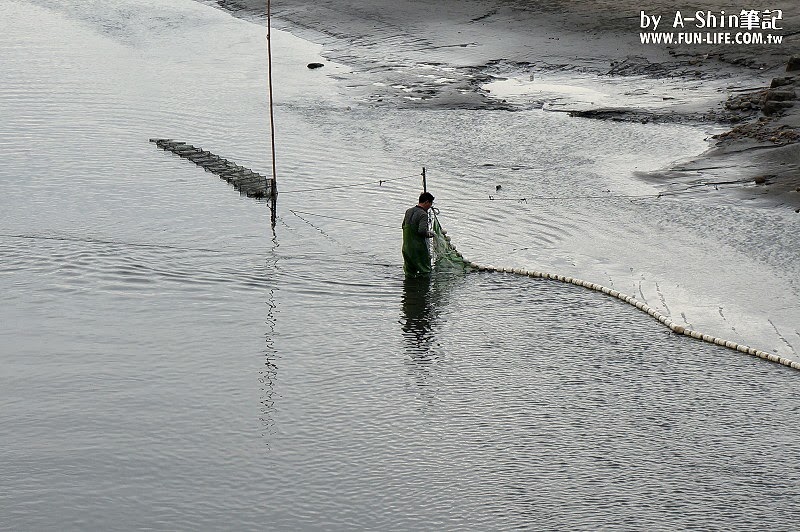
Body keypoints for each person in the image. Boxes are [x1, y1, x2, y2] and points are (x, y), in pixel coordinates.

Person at [402, 192, 435, 275]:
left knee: (409, 273)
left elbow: (403, 226)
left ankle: (409, 287)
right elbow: (421, 231)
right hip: (418, 249)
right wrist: (430, 234)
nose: (430, 206)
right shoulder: (423, 214)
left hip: (406, 248)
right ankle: (423, 287)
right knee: (425, 272)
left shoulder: (408, 211)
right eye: (430, 204)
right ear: (426, 202)